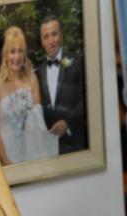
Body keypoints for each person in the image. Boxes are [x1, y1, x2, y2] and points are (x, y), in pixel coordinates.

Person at [0, 26, 57, 165]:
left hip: (31, 155)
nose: (17, 57)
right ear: (5, 55)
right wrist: (5, 161)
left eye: (20, 51)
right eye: (12, 52)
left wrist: (53, 134)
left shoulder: (32, 79)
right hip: (7, 157)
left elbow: (39, 122)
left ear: (25, 54)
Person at [35, 15, 87, 155]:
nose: (51, 41)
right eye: (46, 37)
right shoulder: (38, 73)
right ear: (42, 41)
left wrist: (67, 123)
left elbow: (86, 100)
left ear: (61, 35)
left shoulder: (77, 62)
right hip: (49, 147)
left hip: (76, 144)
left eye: (54, 34)